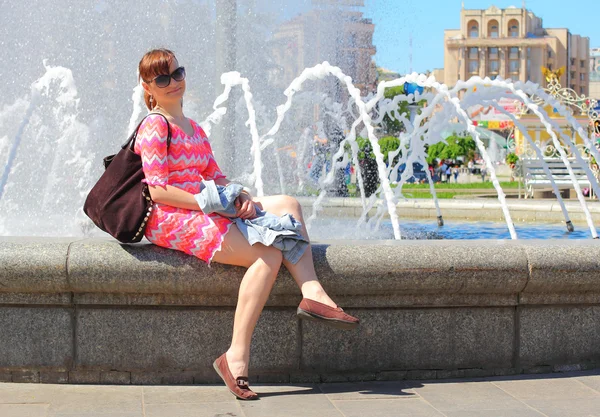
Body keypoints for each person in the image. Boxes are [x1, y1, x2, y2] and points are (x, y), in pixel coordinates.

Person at [136, 49, 359, 400]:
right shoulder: (154, 125)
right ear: (148, 86)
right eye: (162, 79)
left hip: (208, 206)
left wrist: (237, 197)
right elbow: (157, 190)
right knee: (267, 256)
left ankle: (313, 293)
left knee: (288, 204)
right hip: (172, 217)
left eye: (177, 73)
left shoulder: (194, 128)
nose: (173, 83)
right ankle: (235, 357)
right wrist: (205, 203)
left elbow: (215, 175)